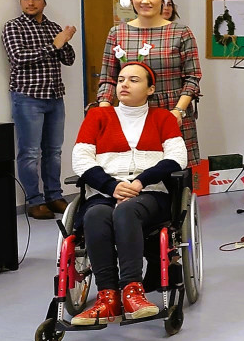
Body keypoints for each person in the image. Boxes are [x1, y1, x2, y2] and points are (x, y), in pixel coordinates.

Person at [70, 62, 188, 325]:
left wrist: (140, 182)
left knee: (126, 210)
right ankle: (107, 297)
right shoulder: (97, 116)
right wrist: (110, 186)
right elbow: (80, 158)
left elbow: (178, 158)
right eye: (121, 79)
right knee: (95, 215)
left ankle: (132, 291)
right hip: (104, 192)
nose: (124, 84)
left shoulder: (163, 118)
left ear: (150, 89)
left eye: (134, 80)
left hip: (149, 193)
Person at [97, 0, 202, 167]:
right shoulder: (117, 33)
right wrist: (104, 113)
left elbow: (192, 77)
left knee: (175, 172)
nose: (145, 1)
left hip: (172, 113)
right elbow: (108, 78)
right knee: (134, 171)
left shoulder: (181, 32)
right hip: (131, 115)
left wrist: (178, 111)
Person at [2, 0, 77, 219]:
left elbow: (69, 59)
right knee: (30, 153)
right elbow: (18, 58)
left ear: (44, 2)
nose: (30, 3)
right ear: (20, 2)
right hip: (27, 97)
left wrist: (64, 40)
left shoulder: (53, 27)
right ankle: (34, 201)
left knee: (53, 151)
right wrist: (54, 45)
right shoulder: (13, 27)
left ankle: (54, 196)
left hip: (54, 97)